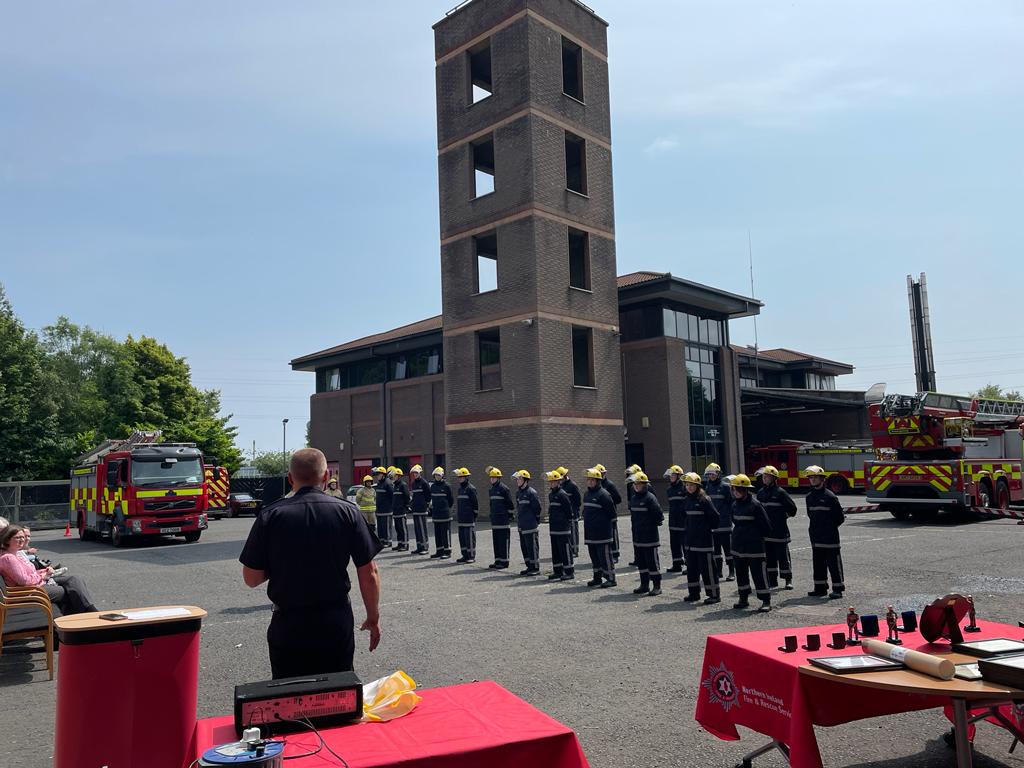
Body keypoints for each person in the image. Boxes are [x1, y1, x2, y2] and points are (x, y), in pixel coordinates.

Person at [240, 448, 382, 679]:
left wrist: (280, 563)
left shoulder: (270, 515)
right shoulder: (347, 512)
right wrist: (373, 617)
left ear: (290, 479)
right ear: (326, 477)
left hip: (288, 623)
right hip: (334, 621)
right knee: (338, 697)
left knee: (289, 696)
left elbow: (251, 578)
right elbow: (369, 572)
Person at [0, 525, 98, 615]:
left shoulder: (16, 554)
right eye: (17, 537)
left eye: (23, 537)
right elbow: (24, 581)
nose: (22, 540)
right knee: (68, 591)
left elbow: (29, 573)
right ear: (7, 540)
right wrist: (43, 576)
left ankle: (89, 610)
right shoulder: (8, 558)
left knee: (74, 579)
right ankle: (84, 616)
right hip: (28, 591)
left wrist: (44, 571)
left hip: (36, 584)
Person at [727, 474, 772, 612]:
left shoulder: (755, 505)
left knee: (759, 574)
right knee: (741, 574)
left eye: (738, 490)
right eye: (734, 490)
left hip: (755, 547)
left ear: (746, 490)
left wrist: (754, 537)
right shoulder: (734, 505)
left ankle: (765, 600)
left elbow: (766, 527)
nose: (735, 492)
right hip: (738, 546)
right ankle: (743, 598)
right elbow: (735, 521)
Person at [804, 465, 846, 599]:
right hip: (816, 536)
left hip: (830, 536)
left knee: (834, 564)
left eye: (815, 477)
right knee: (818, 563)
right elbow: (810, 514)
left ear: (822, 479)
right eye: (810, 477)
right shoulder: (809, 496)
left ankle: (838, 589)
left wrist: (829, 528)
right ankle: (820, 588)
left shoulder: (830, 497)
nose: (812, 480)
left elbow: (839, 518)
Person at [681, 472, 720, 604]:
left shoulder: (704, 500)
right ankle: (694, 594)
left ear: (697, 486)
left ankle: (714, 594)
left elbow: (715, 518)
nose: (689, 487)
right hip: (690, 542)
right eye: (687, 485)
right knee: (691, 569)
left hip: (704, 541)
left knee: (707, 569)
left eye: (692, 485)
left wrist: (705, 530)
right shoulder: (686, 500)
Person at [756, 465, 797, 590]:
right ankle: (772, 580)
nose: (764, 478)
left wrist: (782, 517)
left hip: (780, 532)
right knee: (769, 558)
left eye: (767, 476)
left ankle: (788, 579)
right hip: (766, 533)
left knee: (783, 558)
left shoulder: (780, 493)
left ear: (773, 478)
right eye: (763, 476)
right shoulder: (761, 493)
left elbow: (793, 509)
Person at [629, 472, 664, 597]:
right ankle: (644, 585)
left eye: (639, 484)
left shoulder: (650, 498)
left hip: (650, 537)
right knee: (642, 563)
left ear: (645, 485)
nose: (636, 486)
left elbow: (659, 515)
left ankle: (657, 586)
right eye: (635, 484)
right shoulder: (633, 498)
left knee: (652, 563)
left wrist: (650, 526)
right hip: (638, 536)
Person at [582, 467, 616, 588]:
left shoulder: (604, 494)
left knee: (605, 557)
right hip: (590, 533)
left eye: (592, 480)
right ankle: (597, 578)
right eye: (588, 480)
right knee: (594, 557)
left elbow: (612, 513)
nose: (590, 482)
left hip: (602, 533)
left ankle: (611, 578)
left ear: (598, 481)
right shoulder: (586, 494)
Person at [705, 463, 733, 582]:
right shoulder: (707, 487)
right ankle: (719, 571)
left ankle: (732, 572)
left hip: (725, 524)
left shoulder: (726, 487)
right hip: (713, 524)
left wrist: (730, 518)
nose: (711, 476)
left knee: (728, 550)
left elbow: (731, 504)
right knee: (716, 551)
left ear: (718, 474)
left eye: (713, 473)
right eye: (709, 474)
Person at [546, 470, 575, 581]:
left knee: (565, 550)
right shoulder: (551, 495)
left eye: (553, 482)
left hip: (563, 528)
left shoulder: (562, 494)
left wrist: (566, 524)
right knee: (556, 551)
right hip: (554, 528)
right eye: (550, 482)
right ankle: (557, 571)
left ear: (558, 482)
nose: (551, 484)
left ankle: (569, 571)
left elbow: (569, 511)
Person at [513, 470, 541, 576]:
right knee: (524, 547)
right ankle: (529, 566)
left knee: (532, 547)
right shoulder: (518, 493)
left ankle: (535, 568)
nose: (517, 481)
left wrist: (535, 521)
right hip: (522, 525)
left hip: (530, 525)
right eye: (517, 479)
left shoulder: (531, 493)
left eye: (519, 479)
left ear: (525, 480)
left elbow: (537, 508)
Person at [486, 467, 515, 570]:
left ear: (498, 478)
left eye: (494, 478)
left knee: (503, 541)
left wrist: (509, 516)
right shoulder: (492, 490)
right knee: (496, 542)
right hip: (495, 520)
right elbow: (491, 504)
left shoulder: (504, 489)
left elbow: (510, 504)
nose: (492, 480)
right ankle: (497, 560)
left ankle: (504, 561)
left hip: (503, 520)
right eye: (491, 478)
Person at [595, 464, 623, 563]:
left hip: (611, 513)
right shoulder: (597, 485)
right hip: (602, 516)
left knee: (613, 534)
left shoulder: (609, 485)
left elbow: (618, 499)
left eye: (600, 473)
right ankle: (607, 554)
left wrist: (609, 502)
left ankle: (615, 554)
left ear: (604, 473)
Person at [664, 465, 687, 574]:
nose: (671, 477)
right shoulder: (669, 490)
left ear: (679, 476)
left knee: (685, 544)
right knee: (674, 544)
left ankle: (689, 565)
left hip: (683, 521)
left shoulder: (684, 488)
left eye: (673, 475)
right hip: (673, 521)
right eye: (670, 475)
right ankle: (676, 564)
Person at [453, 468, 478, 563]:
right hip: (461, 518)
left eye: (461, 477)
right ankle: (464, 555)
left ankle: (471, 556)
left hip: (468, 518)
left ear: (466, 477)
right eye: (459, 477)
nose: (459, 479)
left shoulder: (471, 489)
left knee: (470, 538)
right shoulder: (460, 489)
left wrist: (474, 515)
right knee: (462, 538)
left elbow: (475, 504)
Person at [428, 467, 454, 559]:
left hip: (445, 514)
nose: (437, 477)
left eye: (439, 475)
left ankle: (447, 551)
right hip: (436, 514)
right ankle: (439, 551)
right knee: (438, 534)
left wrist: (446, 508)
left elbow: (451, 500)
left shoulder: (447, 486)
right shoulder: (433, 486)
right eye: (436, 475)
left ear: (442, 476)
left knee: (445, 533)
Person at [558, 467, 582, 559]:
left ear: (565, 476)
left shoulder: (572, 486)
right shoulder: (561, 486)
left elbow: (578, 500)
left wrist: (575, 510)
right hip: (564, 514)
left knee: (574, 532)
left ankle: (575, 550)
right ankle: (570, 549)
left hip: (573, 512)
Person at [407, 465, 432, 555]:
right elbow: (414, 496)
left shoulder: (424, 483)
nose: (415, 475)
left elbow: (428, 496)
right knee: (417, 529)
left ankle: (425, 547)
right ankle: (419, 547)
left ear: (420, 473)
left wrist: (426, 505)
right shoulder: (413, 484)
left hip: (422, 509)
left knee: (422, 529)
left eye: (416, 473)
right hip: (415, 509)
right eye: (414, 473)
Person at [372, 466, 394, 549]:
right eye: (376, 474)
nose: (377, 476)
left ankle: (388, 541)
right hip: (379, 510)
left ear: (383, 475)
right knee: (380, 527)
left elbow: (392, 496)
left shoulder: (388, 483)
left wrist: (390, 507)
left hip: (387, 510)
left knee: (386, 527)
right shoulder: (379, 483)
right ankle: (382, 541)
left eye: (379, 474)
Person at [390, 467, 410, 552]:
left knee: (402, 528)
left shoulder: (403, 485)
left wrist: (404, 507)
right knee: (398, 528)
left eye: (394, 475)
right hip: (396, 511)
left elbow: (407, 497)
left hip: (401, 510)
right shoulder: (395, 485)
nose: (393, 477)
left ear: (399, 476)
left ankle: (405, 544)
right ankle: (400, 544)